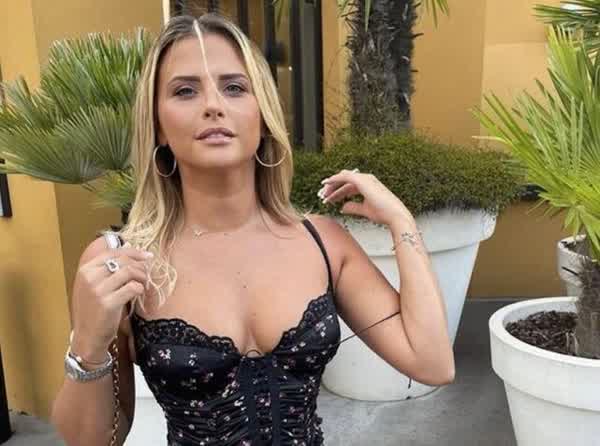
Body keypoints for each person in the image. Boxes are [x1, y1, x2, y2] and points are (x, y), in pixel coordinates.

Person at [50, 12, 454, 446]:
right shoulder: (122, 262)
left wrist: (402, 223)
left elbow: (432, 363)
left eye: (234, 87)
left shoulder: (323, 243)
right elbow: (92, 441)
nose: (213, 104)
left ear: (262, 116)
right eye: (185, 91)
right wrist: (88, 347)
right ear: (159, 126)